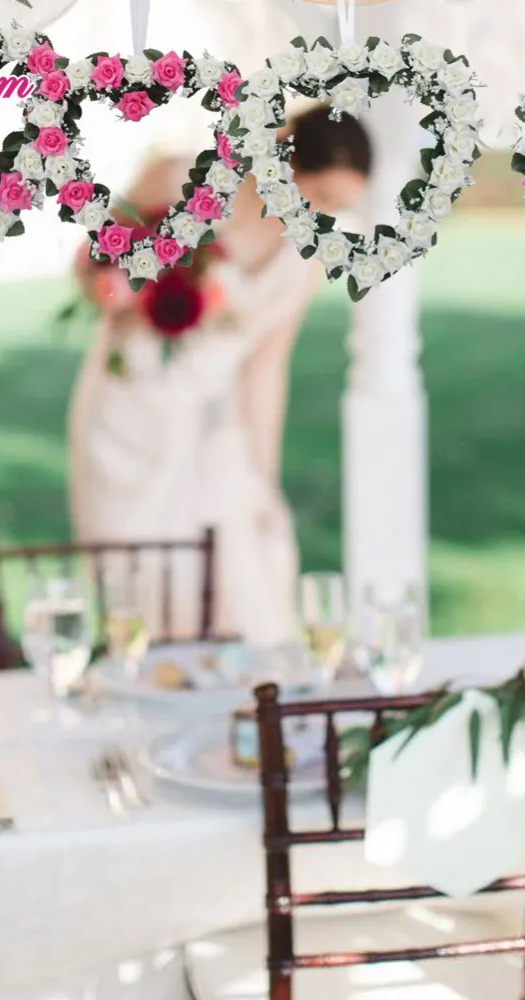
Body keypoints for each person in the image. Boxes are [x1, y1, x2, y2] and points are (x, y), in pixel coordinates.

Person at [68, 104, 372, 647]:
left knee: (243, 573)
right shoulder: (181, 179)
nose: (323, 217)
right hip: (129, 409)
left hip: (214, 421)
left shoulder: (303, 259)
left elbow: (265, 369)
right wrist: (123, 291)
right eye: (320, 199)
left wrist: (265, 477)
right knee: (132, 576)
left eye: (338, 208)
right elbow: (92, 257)